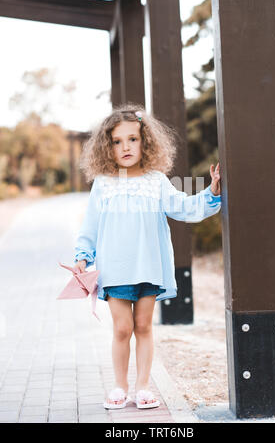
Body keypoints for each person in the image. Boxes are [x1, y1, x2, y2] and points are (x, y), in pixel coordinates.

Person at [73, 103, 221, 410]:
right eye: (116, 141)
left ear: (146, 141)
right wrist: (83, 256)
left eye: (132, 139)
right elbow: (90, 224)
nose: (125, 147)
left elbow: (183, 207)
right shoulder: (104, 183)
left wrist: (212, 193)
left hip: (149, 267)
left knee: (143, 326)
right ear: (107, 147)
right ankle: (119, 386)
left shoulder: (155, 180)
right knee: (122, 328)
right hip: (114, 270)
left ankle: (142, 387)